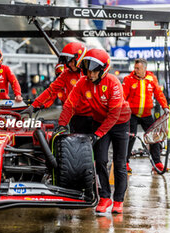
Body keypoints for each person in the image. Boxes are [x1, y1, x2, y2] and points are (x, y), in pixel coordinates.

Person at [57, 49, 131, 214]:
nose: (90, 74)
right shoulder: (83, 83)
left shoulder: (113, 83)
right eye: (88, 70)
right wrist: (62, 124)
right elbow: (70, 104)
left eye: (94, 71)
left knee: (119, 163)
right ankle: (105, 197)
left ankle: (118, 200)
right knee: (100, 160)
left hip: (120, 123)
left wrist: (97, 134)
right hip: (99, 122)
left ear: (103, 69)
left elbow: (114, 115)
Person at [23, 42, 92, 134]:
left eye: (71, 61)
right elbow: (51, 91)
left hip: (93, 117)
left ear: (79, 58)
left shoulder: (91, 74)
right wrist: (34, 105)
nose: (70, 64)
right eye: (68, 61)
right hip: (74, 116)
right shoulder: (66, 74)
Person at [123, 58, 169, 172]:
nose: (135, 70)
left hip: (146, 114)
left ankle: (157, 163)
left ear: (144, 68)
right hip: (132, 114)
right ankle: (125, 163)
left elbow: (159, 93)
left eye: (138, 68)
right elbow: (123, 96)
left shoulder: (151, 78)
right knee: (130, 138)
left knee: (154, 137)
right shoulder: (128, 79)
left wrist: (165, 107)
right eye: (135, 68)